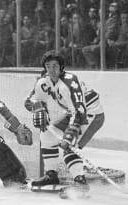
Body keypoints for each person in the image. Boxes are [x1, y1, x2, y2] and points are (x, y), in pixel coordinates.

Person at [24, 50, 104, 193]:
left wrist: (68, 136)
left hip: (91, 114)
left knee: (69, 147)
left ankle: (80, 184)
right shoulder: (43, 81)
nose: (51, 69)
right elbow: (30, 100)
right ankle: (51, 175)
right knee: (46, 137)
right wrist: (38, 109)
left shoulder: (70, 82)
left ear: (61, 66)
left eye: (55, 66)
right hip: (72, 113)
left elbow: (80, 112)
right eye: (48, 66)